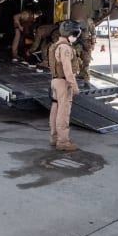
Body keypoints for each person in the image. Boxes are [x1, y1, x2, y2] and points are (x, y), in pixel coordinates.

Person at [48, 20, 82, 152]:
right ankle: (63, 142)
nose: (76, 36)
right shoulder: (66, 48)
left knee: (55, 109)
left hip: (55, 81)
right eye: (75, 33)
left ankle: (54, 138)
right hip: (63, 83)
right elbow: (67, 69)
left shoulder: (56, 45)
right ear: (70, 33)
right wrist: (74, 86)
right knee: (63, 112)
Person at [70, 3, 96, 85]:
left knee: (85, 62)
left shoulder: (88, 21)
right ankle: (82, 78)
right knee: (77, 61)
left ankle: (86, 80)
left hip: (84, 43)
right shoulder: (75, 20)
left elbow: (93, 33)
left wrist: (93, 44)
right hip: (78, 43)